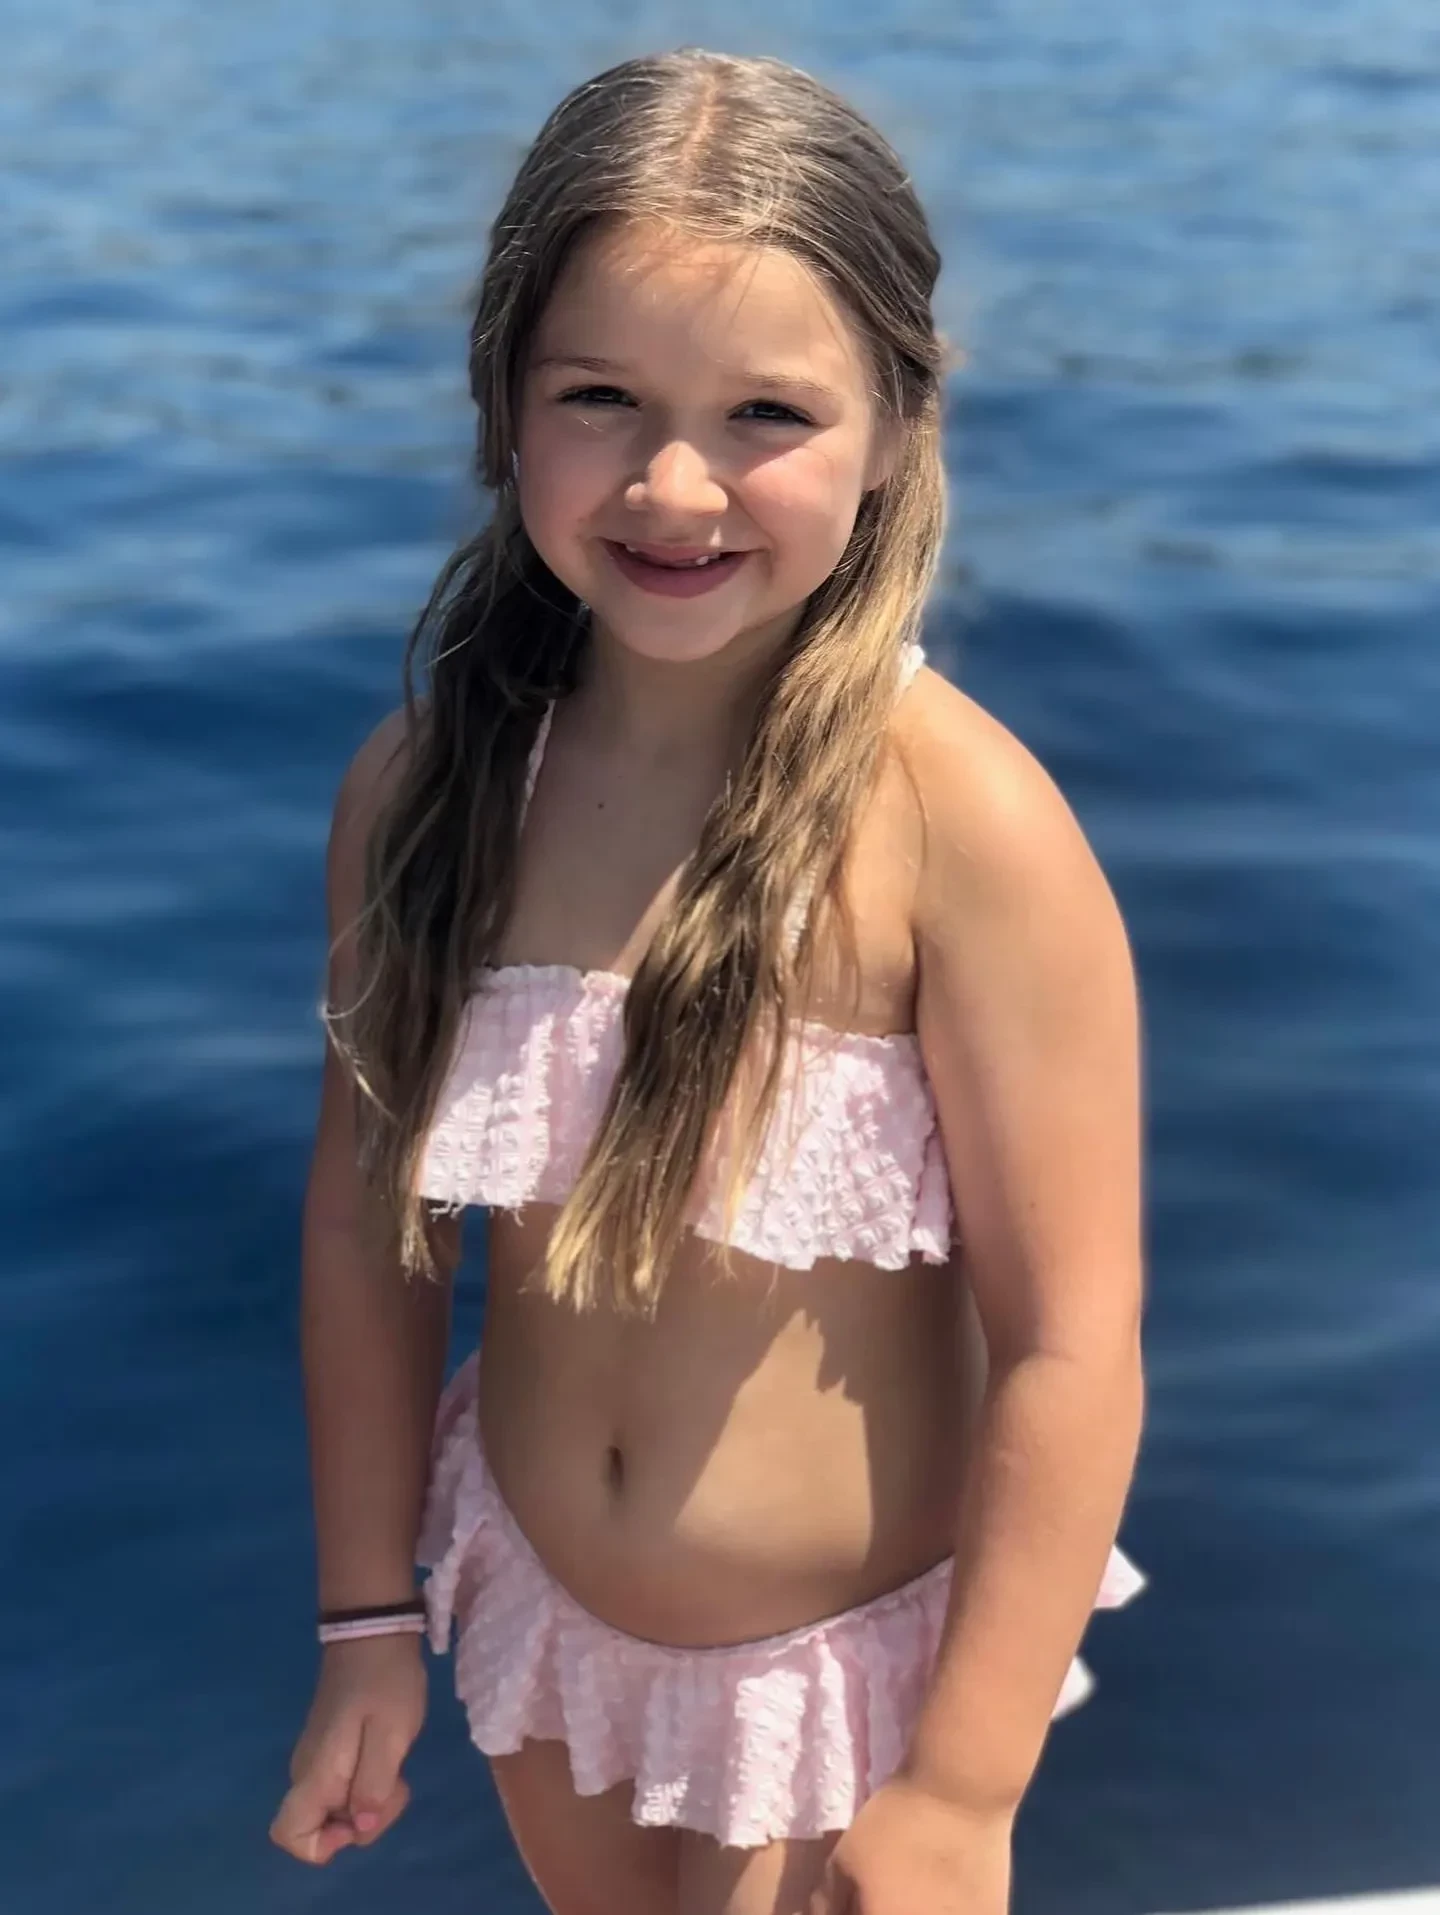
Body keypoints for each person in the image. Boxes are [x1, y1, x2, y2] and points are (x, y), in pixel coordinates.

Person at [268, 48, 1146, 1915]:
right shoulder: (426, 792)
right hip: (540, 1629)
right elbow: (367, 1229)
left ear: (898, 423)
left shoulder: (959, 824)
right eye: (601, 397)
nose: (676, 483)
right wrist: (366, 1619)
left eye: (766, 412)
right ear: (504, 402)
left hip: (835, 1691)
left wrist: (964, 1786)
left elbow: (1074, 1342)